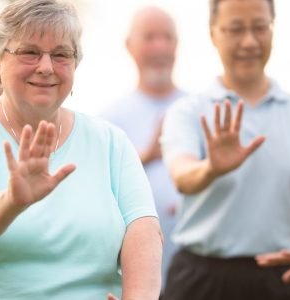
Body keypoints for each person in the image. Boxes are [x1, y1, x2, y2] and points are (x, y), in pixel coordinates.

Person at [0, 1, 162, 299]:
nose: (46, 67)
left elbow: (144, 229)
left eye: (60, 55)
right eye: (29, 52)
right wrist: (11, 202)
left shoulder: (111, 142)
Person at [160, 0, 290, 299]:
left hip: (283, 279)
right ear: (213, 34)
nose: (249, 41)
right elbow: (182, 175)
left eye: (260, 27)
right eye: (235, 29)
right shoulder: (188, 111)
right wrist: (211, 168)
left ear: (272, 28)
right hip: (201, 282)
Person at [102, 6, 185, 290]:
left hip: (201, 277)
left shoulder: (202, 109)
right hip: (134, 280)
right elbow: (98, 187)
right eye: (150, 37)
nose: (160, 46)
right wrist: (149, 154)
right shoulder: (109, 119)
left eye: (167, 37)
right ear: (130, 46)